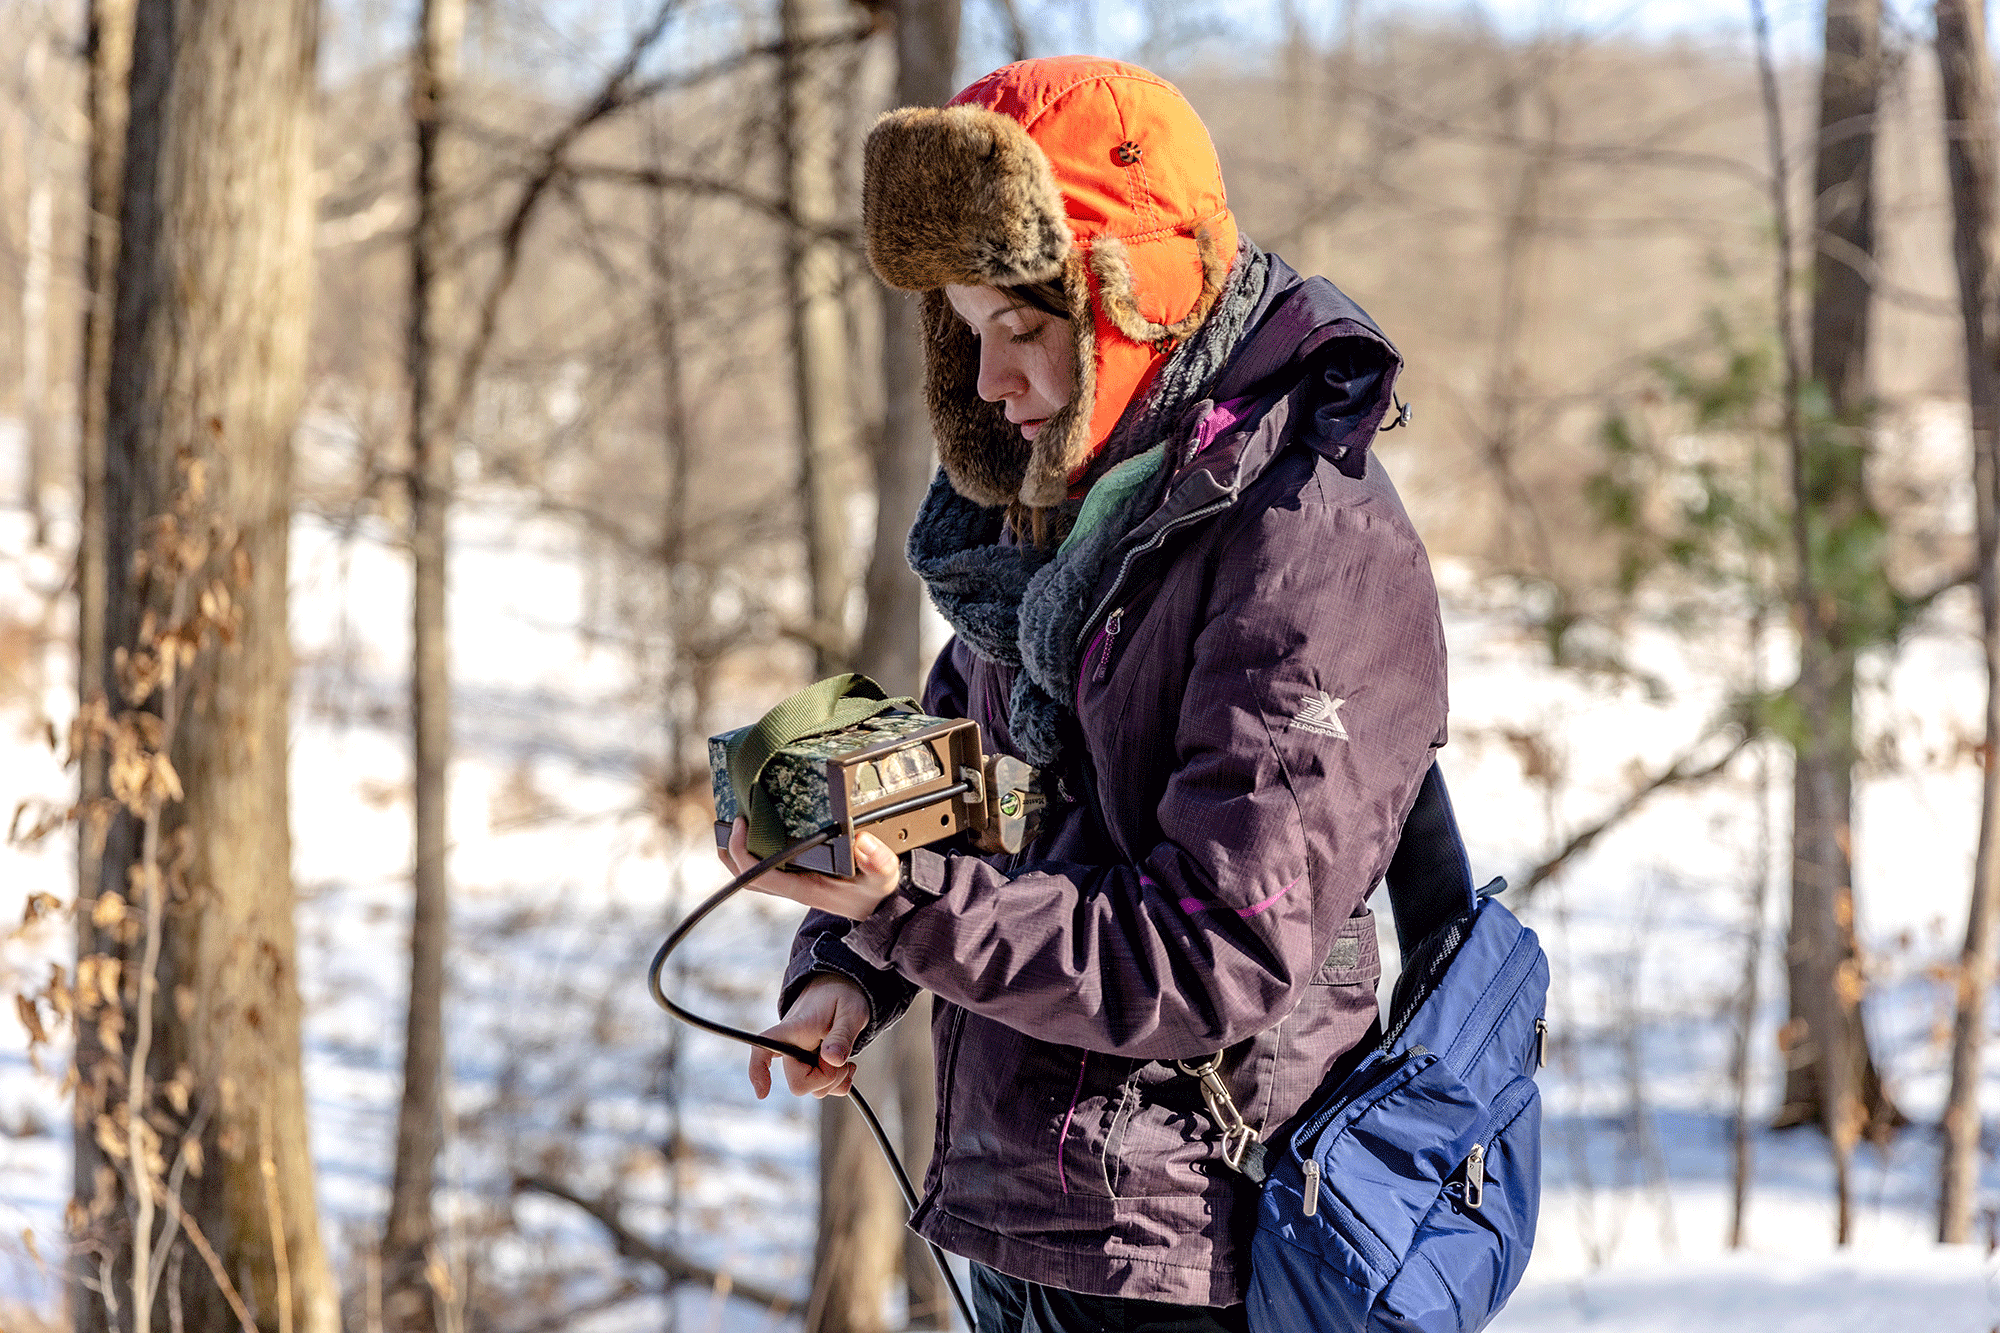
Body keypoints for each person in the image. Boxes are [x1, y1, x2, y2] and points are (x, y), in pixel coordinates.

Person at [723, 55, 1448, 1333]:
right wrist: (848, 956)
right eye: (965, 331)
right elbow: (965, 789)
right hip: (1036, 1217)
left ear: (1135, 301)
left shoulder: (1304, 548)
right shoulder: (1062, 515)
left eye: (1023, 328)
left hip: (1199, 1240)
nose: (993, 383)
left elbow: (1215, 944)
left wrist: (907, 912)